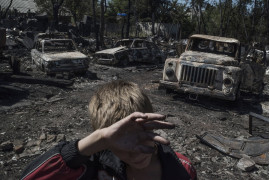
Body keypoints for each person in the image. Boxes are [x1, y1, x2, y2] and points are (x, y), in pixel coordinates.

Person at [21, 80, 197, 180]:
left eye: (140, 135)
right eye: (122, 143)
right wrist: (97, 140)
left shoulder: (182, 168)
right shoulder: (93, 165)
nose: (135, 152)